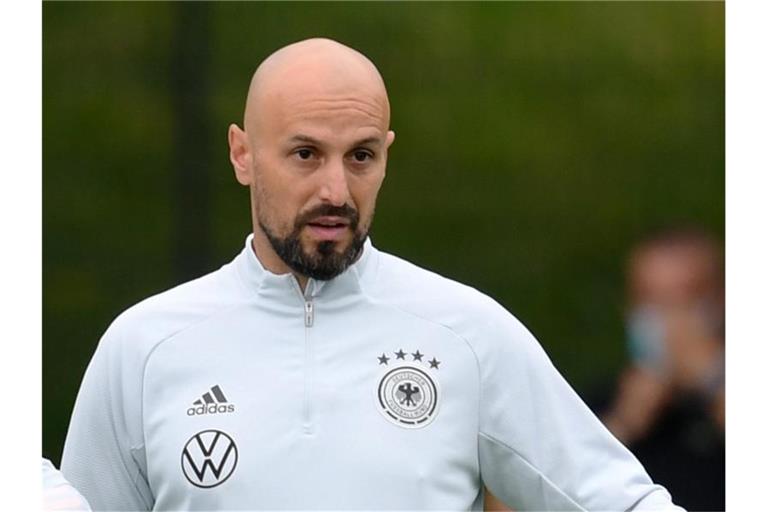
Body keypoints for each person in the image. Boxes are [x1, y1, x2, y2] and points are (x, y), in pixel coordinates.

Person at [61, 38, 683, 511]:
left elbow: (622, 502)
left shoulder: (467, 332)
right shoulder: (143, 347)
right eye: (305, 153)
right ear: (242, 154)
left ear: (387, 153)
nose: (336, 189)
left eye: (361, 155)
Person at [598, 228, 725, 511]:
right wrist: (625, 423)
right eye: (649, 299)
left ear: (720, 302)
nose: (665, 319)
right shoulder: (596, 406)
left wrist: (712, 380)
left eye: (681, 299)